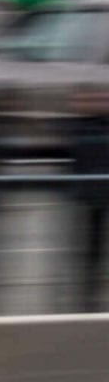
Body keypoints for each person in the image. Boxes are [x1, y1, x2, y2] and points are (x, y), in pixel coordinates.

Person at [65, 85, 109, 313]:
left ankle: (91, 297)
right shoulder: (78, 127)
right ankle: (88, 299)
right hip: (90, 198)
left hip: (96, 195)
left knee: (94, 251)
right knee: (91, 252)